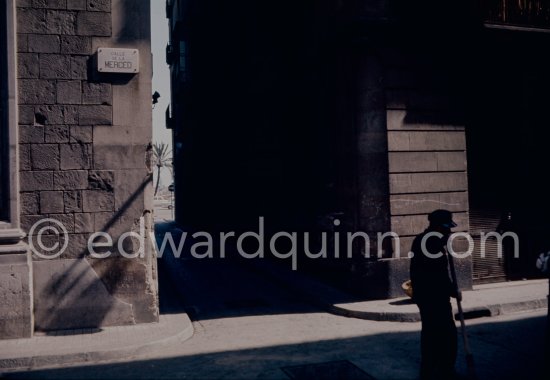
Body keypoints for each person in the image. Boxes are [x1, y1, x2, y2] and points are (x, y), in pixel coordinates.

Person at [410, 209, 461, 380]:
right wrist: (453, 291)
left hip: (425, 297)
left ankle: (430, 371)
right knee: (447, 335)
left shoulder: (422, 239)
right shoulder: (432, 243)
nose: (449, 232)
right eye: (447, 228)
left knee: (431, 334)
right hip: (435, 298)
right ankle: (444, 370)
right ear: (439, 226)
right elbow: (437, 274)